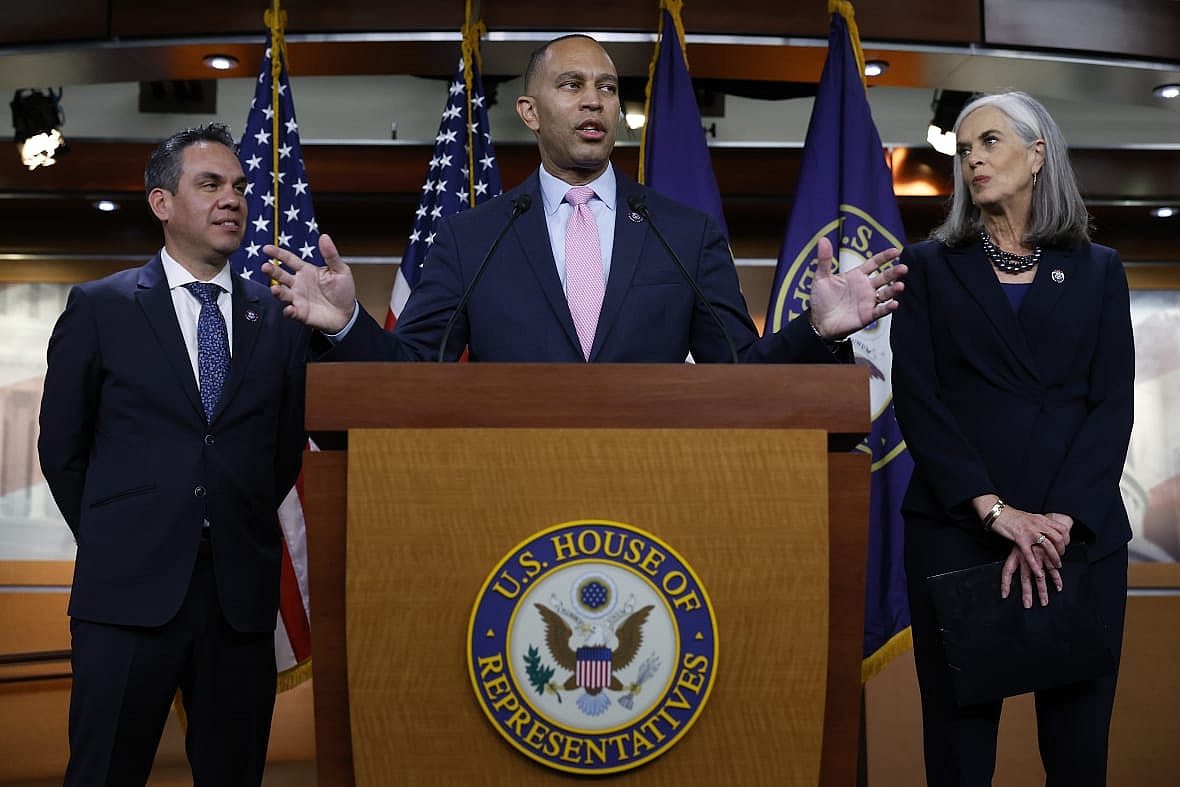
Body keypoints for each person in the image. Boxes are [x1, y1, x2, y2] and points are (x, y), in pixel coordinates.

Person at [261, 34, 906, 362]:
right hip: (510, 498)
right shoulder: (472, 238)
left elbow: (740, 371)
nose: (595, 99)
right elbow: (409, 370)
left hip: (654, 498)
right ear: (530, 111)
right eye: (571, 84)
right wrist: (347, 325)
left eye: (606, 86)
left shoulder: (684, 234)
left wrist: (816, 331)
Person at [37, 123, 308, 786]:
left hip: (238, 600)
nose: (232, 200)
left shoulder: (276, 318)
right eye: (210, 184)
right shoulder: (100, 307)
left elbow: (278, 453)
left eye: (239, 187)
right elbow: (62, 448)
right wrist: (124, 533)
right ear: (162, 203)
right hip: (125, 595)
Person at [890, 91, 1134, 786]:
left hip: (1075, 539)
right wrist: (995, 509)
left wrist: (1058, 518)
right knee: (961, 755)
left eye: (989, 141)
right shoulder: (929, 269)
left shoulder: (1098, 269)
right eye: (963, 149)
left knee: (1079, 752)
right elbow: (921, 402)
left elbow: (1111, 403)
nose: (971, 158)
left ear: (1036, 155)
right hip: (960, 535)